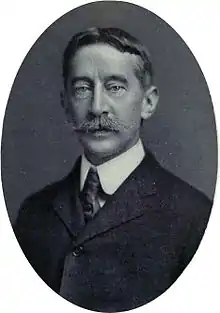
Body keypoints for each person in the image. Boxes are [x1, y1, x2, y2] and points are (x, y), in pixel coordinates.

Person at [14, 27, 212, 312]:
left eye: (115, 87)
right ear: (66, 105)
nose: (96, 107)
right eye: (82, 88)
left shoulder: (194, 217)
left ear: (148, 102)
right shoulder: (33, 214)